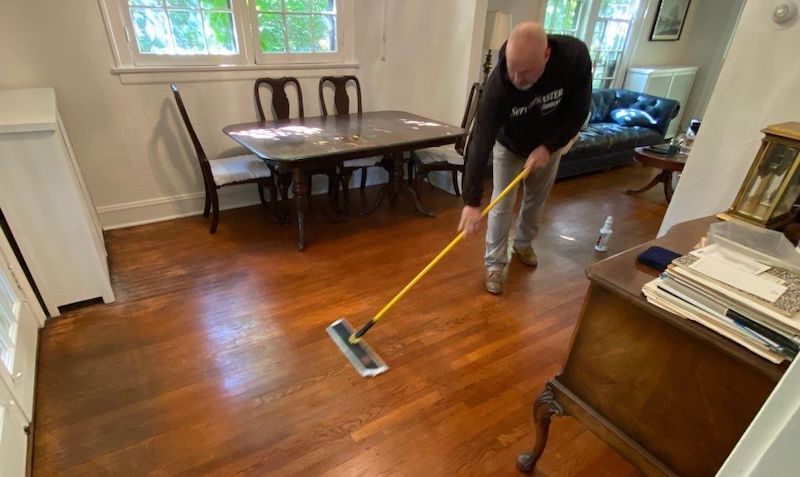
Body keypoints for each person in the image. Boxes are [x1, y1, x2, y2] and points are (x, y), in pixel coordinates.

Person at [458, 21, 592, 294]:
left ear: (546, 56)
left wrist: (547, 147)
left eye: (526, 73)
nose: (517, 79)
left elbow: (578, 112)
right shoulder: (499, 86)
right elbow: (480, 140)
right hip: (509, 145)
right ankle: (495, 264)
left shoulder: (574, 59)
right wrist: (471, 201)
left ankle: (522, 243)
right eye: (513, 70)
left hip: (548, 144)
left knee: (535, 199)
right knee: (501, 203)